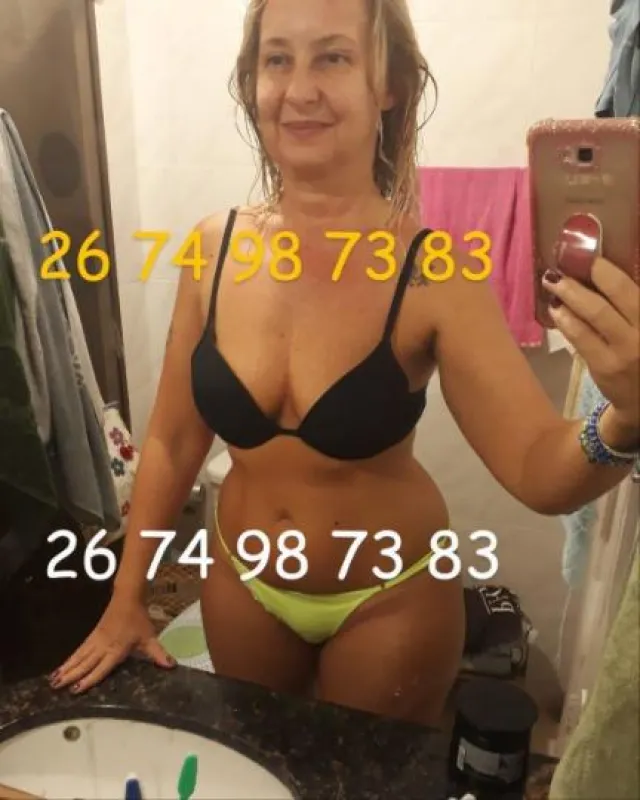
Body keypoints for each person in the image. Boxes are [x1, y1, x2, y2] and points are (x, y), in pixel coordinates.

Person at [49, 0, 640, 725]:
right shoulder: (211, 250)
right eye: (277, 59)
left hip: (389, 601)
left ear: (385, 84)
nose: (299, 89)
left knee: (361, 777)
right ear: (251, 81)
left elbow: (538, 469)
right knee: (261, 763)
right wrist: (127, 597)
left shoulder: (434, 272)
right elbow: (173, 442)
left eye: (332, 57)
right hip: (242, 581)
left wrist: (625, 418)